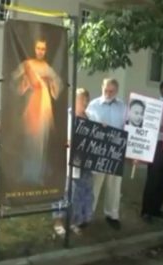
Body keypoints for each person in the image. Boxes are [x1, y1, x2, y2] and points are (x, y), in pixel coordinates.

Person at [12, 38, 62, 184]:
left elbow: (56, 84)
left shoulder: (47, 67)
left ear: (46, 51)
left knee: (40, 143)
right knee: (28, 142)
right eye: (38, 48)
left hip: (43, 109)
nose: (40, 51)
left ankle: (37, 175)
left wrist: (49, 81)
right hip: (30, 107)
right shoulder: (27, 64)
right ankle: (25, 174)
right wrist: (26, 82)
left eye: (43, 49)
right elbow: (14, 80)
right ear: (34, 49)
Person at [85, 78, 126, 230]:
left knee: (114, 185)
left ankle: (112, 214)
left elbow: (128, 127)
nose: (108, 94)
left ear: (117, 90)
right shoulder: (93, 105)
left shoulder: (123, 107)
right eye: (106, 91)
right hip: (98, 152)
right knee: (94, 184)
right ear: (101, 88)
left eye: (112, 91)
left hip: (116, 152)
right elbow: (86, 127)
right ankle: (88, 214)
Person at [52, 88, 94, 236]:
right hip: (66, 160)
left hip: (85, 163)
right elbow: (55, 135)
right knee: (63, 192)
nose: (85, 103)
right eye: (82, 99)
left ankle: (73, 221)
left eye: (87, 100)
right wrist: (65, 142)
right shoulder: (65, 116)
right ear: (74, 100)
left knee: (80, 192)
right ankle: (58, 222)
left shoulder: (90, 117)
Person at [141, 80, 163, 223]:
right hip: (156, 145)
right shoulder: (154, 105)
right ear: (162, 89)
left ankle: (156, 208)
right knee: (154, 178)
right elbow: (149, 124)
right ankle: (146, 211)